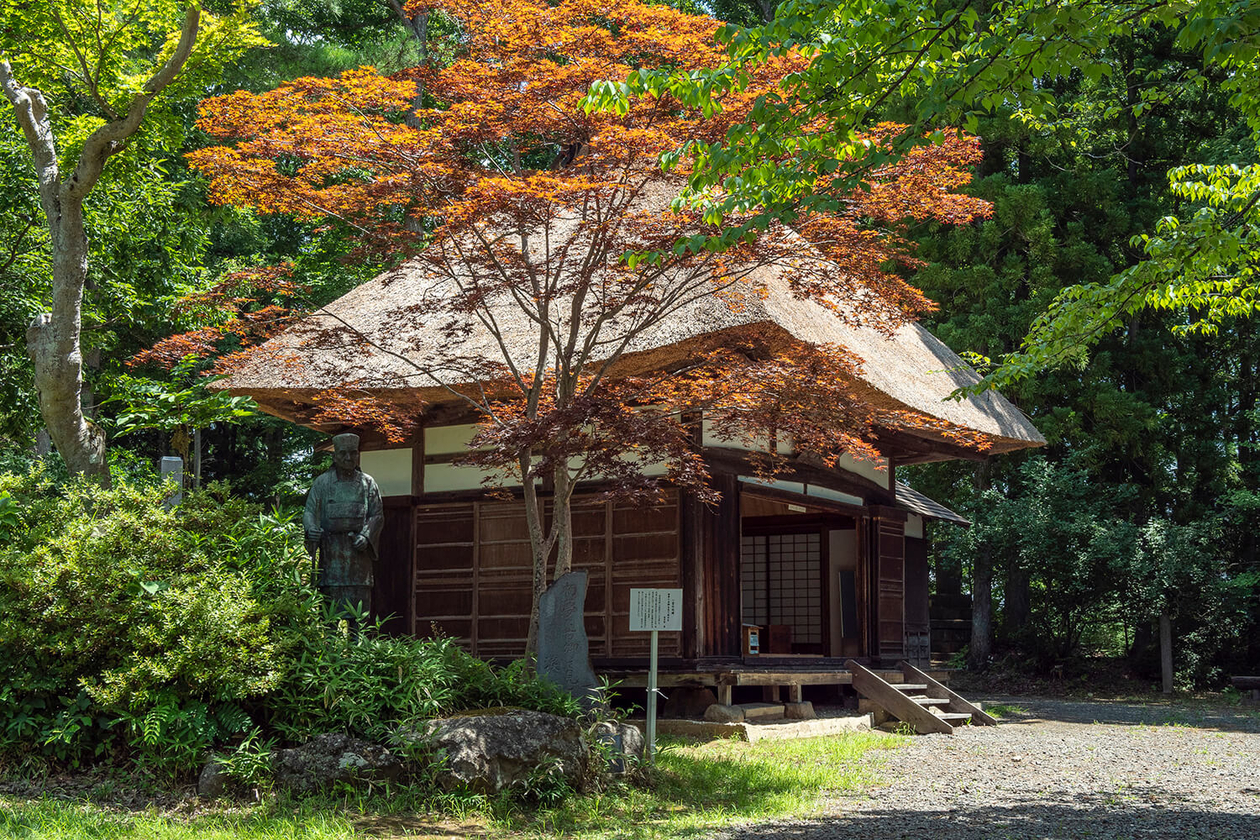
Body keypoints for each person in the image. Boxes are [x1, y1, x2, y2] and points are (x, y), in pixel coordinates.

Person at [303, 433, 383, 626]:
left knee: (359, 620)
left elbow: (377, 515)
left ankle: (357, 655)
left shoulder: (368, 483)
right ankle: (331, 655)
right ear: (335, 456)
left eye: (353, 453)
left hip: (359, 562)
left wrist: (366, 535)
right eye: (343, 454)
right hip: (331, 560)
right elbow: (309, 512)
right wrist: (312, 529)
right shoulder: (322, 483)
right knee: (329, 619)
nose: (348, 458)